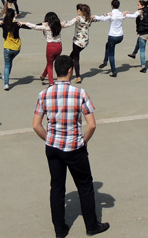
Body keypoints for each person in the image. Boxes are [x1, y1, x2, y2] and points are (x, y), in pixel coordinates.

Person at [32, 54, 110, 238]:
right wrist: (83, 141)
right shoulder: (80, 93)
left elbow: (36, 125)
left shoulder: (43, 94)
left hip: (53, 147)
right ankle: (91, 226)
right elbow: (91, 124)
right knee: (85, 186)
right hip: (75, 147)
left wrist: (49, 139)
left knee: (57, 188)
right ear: (70, 71)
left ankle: (60, 230)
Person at [21, 12, 64, 86]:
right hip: (59, 47)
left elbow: (34, 26)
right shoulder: (59, 25)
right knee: (51, 62)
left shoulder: (46, 27)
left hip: (50, 47)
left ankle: (51, 82)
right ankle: (43, 75)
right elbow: (69, 23)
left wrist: (24, 23)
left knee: (50, 64)